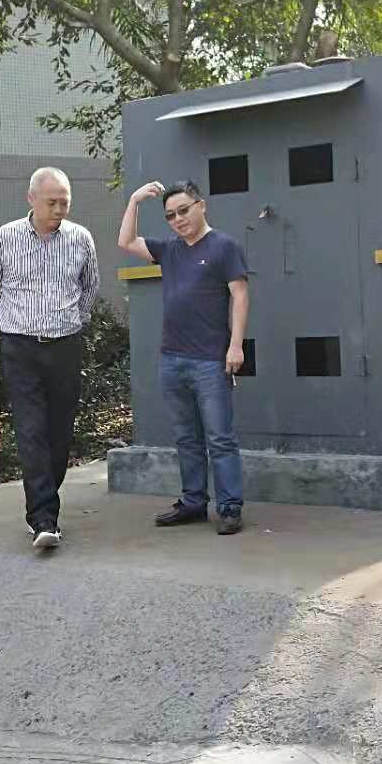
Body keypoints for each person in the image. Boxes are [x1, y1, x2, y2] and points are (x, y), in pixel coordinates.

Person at [118, 179, 249, 535]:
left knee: (220, 438)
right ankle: (193, 502)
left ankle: (230, 507)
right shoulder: (170, 249)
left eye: (184, 210)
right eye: (171, 215)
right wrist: (134, 200)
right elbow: (126, 242)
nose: (178, 219)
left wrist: (236, 345)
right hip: (172, 360)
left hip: (210, 361)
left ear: (201, 206)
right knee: (186, 438)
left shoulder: (224, 247)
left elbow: (239, 295)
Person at [0, 167, 100, 551]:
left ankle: (44, 499)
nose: (59, 209)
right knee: (30, 430)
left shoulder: (80, 238)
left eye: (65, 202)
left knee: (60, 433)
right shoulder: (4, 238)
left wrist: (71, 320)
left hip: (65, 345)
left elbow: (90, 288)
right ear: (31, 199)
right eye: (52, 202)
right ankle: (44, 519)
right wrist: (12, 321)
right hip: (21, 347)